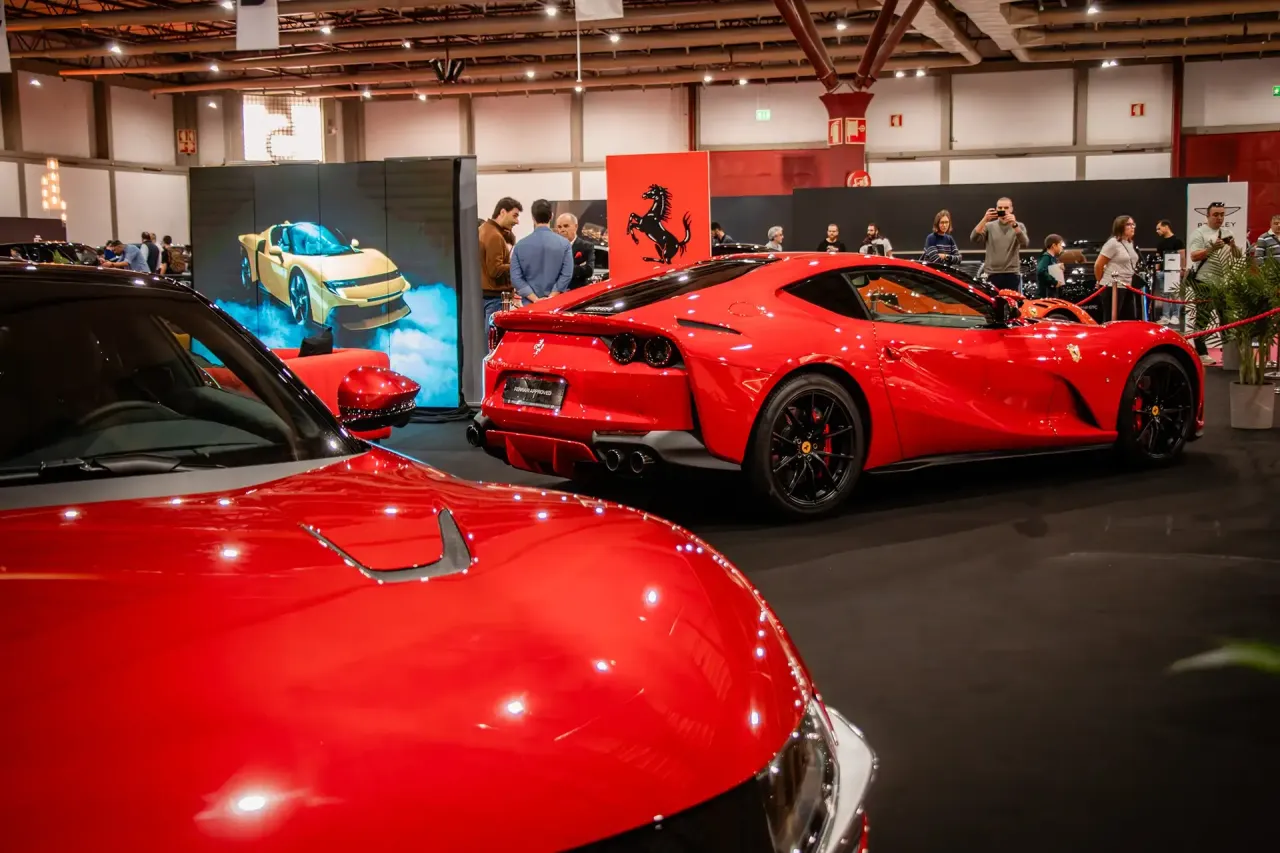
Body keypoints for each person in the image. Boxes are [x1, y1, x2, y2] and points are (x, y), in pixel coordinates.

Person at [1187, 201, 1244, 363]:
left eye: (1222, 215)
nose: (1219, 218)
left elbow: (1238, 255)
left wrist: (1233, 245)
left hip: (1223, 283)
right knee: (1203, 318)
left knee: (1226, 318)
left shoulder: (1227, 232)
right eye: (1216, 215)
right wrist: (1212, 249)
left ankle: (1228, 352)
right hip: (1204, 282)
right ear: (1207, 216)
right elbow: (1194, 256)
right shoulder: (1199, 233)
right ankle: (1201, 353)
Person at [511, 198, 572, 305]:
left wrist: (535, 299)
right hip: (556, 304)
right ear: (551, 216)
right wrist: (551, 297)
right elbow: (566, 275)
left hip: (530, 305)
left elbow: (516, 278)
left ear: (533, 217)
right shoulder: (565, 244)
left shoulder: (520, 246)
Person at [971, 197, 1029, 292]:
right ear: (996, 209)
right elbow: (974, 238)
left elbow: (1025, 243)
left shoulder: (1019, 226)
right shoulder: (989, 226)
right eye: (1000, 208)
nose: (1003, 210)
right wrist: (985, 219)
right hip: (992, 274)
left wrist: (1014, 225)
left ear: (1011, 209)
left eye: (1006, 208)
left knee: (1010, 300)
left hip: (1011, 274)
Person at [479, 197, 521, 327]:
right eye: (514, 216)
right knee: (493, 337)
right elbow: (495, 270)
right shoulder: (494, 236)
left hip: (485, 296)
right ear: (502, 212)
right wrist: (517, 265)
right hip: (494, 298)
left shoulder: (483, 229)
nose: (517, 221)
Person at [1096, 215, 1140, 320]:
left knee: (1128, 319)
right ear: (1120, 226)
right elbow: (1098, 265)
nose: (1132, 227)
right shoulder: (1113, 243)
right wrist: (1100, 281)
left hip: (1128, 285)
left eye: (1133, 224)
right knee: (1111, 319)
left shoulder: (1130, 243)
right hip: (1113, 286)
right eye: (1128, 224)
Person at [1154, 220, 1186, 326]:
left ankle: (1175, 316)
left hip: (1174, 272)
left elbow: (1182, 256)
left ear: (1166, 227)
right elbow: (1158, 258)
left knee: (1174, 293)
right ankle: (1165, 316)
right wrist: (1157, 270)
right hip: (1162, 272)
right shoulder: (1160, 243)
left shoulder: (1177, 241)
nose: (1157, 231)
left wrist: (1182, 269)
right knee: (1164, 295)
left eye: (1159, 228)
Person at [554, 212, 596, 290]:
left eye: (566, 226)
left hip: (578, 292)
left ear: (576, 226)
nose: (562, 230)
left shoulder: (586, 246)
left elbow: (589, 270)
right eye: (559, 227)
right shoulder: (553, 247)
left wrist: (564, 267)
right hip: (557, 292)